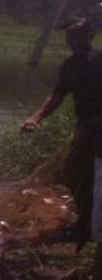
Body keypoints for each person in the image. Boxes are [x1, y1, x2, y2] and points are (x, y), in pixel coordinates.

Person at [22, 18, 102, 249]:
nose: (72, 41)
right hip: (86, 124)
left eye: (77, 36)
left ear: (90, 37)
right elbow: (57, 96)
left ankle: (89, 228)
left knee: (87, 172)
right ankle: (86, 224)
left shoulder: (100, 60)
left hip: (97, 125)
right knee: (75, 171)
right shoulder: (70, 65)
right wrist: (35, 118)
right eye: (69, 37)